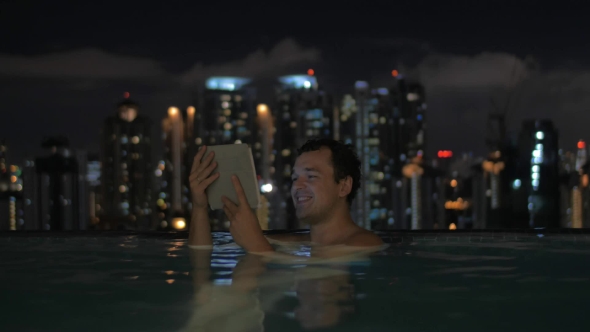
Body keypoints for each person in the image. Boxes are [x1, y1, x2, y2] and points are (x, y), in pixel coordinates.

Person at [188, 138, 383, 252]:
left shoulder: (365, 245)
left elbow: (320, 271)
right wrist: (199, 207)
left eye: (311, 176)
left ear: (343, 186)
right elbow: (201, 255)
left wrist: (257, 245)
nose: (297, 185)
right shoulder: (294, 243)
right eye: (295, 178)